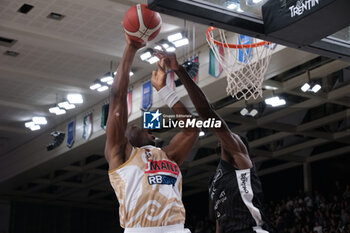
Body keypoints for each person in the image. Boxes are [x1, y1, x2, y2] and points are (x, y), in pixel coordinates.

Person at [155, 51, 276, 233]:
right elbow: (220, 216)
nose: (226, 138)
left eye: (229, 137)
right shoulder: (215, 180)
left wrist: (180, 72)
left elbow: (207, 113)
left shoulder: (240, 159)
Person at [105, 35, 198, 232]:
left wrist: (164, 90)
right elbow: (117, 97)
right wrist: (130, 48)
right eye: (135, 126)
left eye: (145, 128)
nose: (141, 127)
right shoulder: (120, 154)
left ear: (153, 137)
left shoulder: (168, 155)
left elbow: (191, 129)